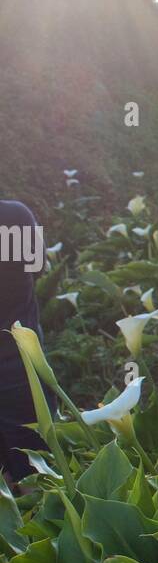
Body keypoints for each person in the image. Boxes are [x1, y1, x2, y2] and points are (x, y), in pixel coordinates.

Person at [0, 199, 51, 482]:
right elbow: (39, 266)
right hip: (23, 368)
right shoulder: (15, 214)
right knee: (36, 473)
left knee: (4, 479)